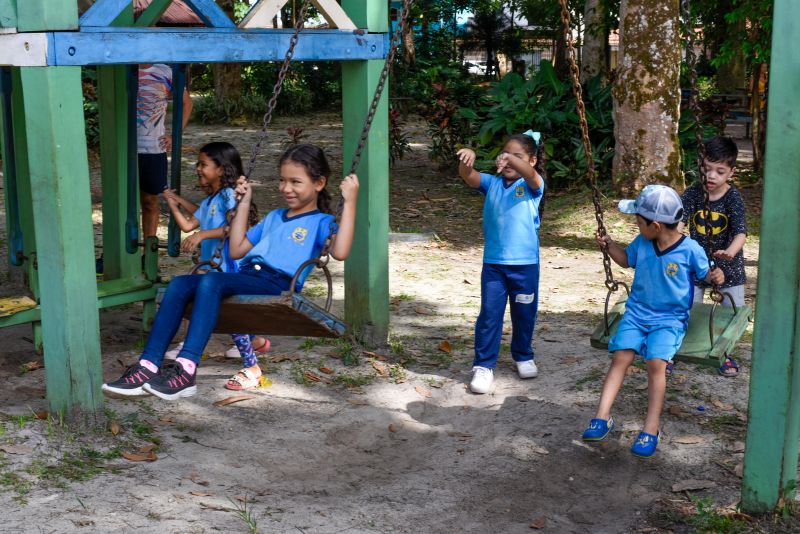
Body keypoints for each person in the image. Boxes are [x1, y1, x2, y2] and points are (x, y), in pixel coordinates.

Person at [101, 144, 359, 400]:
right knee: (179, 283)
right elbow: (236, 250)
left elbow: (340, 252)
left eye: (295, 182)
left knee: (210, 282)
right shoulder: (275, 217)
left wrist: (350, 202)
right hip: (249, 275)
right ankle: (147, 365)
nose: (286, 188)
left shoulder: (321, 222)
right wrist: (243, 203)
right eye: (282, 180)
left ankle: (186, 369)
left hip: (278, 283)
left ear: (319, 183)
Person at [581, 185, 724, 457]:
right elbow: (625, 261)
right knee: (621, 356)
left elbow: (707, 275)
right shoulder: (642, 243)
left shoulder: (690, 249)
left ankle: (651, 427)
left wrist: (717, 277)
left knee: (655, 363)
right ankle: (602, 416)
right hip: (636, 314)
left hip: (669, 320)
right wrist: (609, 245)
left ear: (656, 225)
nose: (636, 225)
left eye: (638, 220)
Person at [160, 142, 270, 385]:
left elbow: (232, 227)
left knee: (230, 316)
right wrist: (174, 202)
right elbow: (190, 224)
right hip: (212, 266)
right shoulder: (211, 200)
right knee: (211, 307)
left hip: (228, 266)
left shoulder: (230, 195)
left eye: (203, 164)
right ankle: (256, 343)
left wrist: (202, 235)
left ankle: (252, 366)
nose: (198, 168)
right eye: (198, 164)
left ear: (221, 169)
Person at [456, 130, 545, 395]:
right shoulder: (492, 184)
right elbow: (468, 176)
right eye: (505, 155)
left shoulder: (532, 186)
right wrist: (467, 160)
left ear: (532, 160)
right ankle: (483, 365)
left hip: (525, 266)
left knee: (524, 314)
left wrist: (510, 157)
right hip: (494, 265)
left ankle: (523, 355)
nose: (508, 162)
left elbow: (530, 175)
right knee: (490, 314)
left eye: (517, 157)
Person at [680, 136, 746, 377]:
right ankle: (677, 349)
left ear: (731, 172)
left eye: (720, 171)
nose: (712, 176)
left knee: (732, 313)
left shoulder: (732, 197)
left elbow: (740, 232)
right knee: (686, 308)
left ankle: (724, 354)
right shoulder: (693, 193)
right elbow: (679, 221)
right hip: (696, 264)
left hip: (729, 266)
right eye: (707, 169)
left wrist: (729, 253)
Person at [137, 63, 193, 240]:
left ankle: (148, 255)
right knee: (120, 204)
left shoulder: (165, 71)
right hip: (124, 149)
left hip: (153, 149)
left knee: (150, 202)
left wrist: (175, 135)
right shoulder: (122, 69)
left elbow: (187, 103)